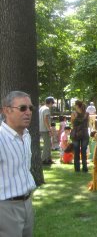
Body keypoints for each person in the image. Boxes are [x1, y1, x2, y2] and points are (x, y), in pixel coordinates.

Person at [0, 91, 36, 237]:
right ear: (6, 110)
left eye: (30, 108)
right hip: (5, 207)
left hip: (27, 202)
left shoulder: (26, 136)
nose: (28, 112)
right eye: (22, 108)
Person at [71, 100, 90, 173]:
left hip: (76, 134)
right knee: (84, 151)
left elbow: (72, 123)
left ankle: (77, 168)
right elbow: (87, 124)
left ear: (77, 105)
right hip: (84, 133)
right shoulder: (87, 114)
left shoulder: (74, 114)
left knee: (76, 151)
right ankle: (85, 168)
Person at [39, 96, 55, 164]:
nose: (52, 105)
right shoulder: (46, 109)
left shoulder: (41, 108)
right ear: (50, 102)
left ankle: (48, 159)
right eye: (52, 103)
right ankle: (43, 159)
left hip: (41, 128)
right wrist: (49, 129)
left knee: (48, 144)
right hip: (45, 129)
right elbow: (45, 120)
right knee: (47, 145)